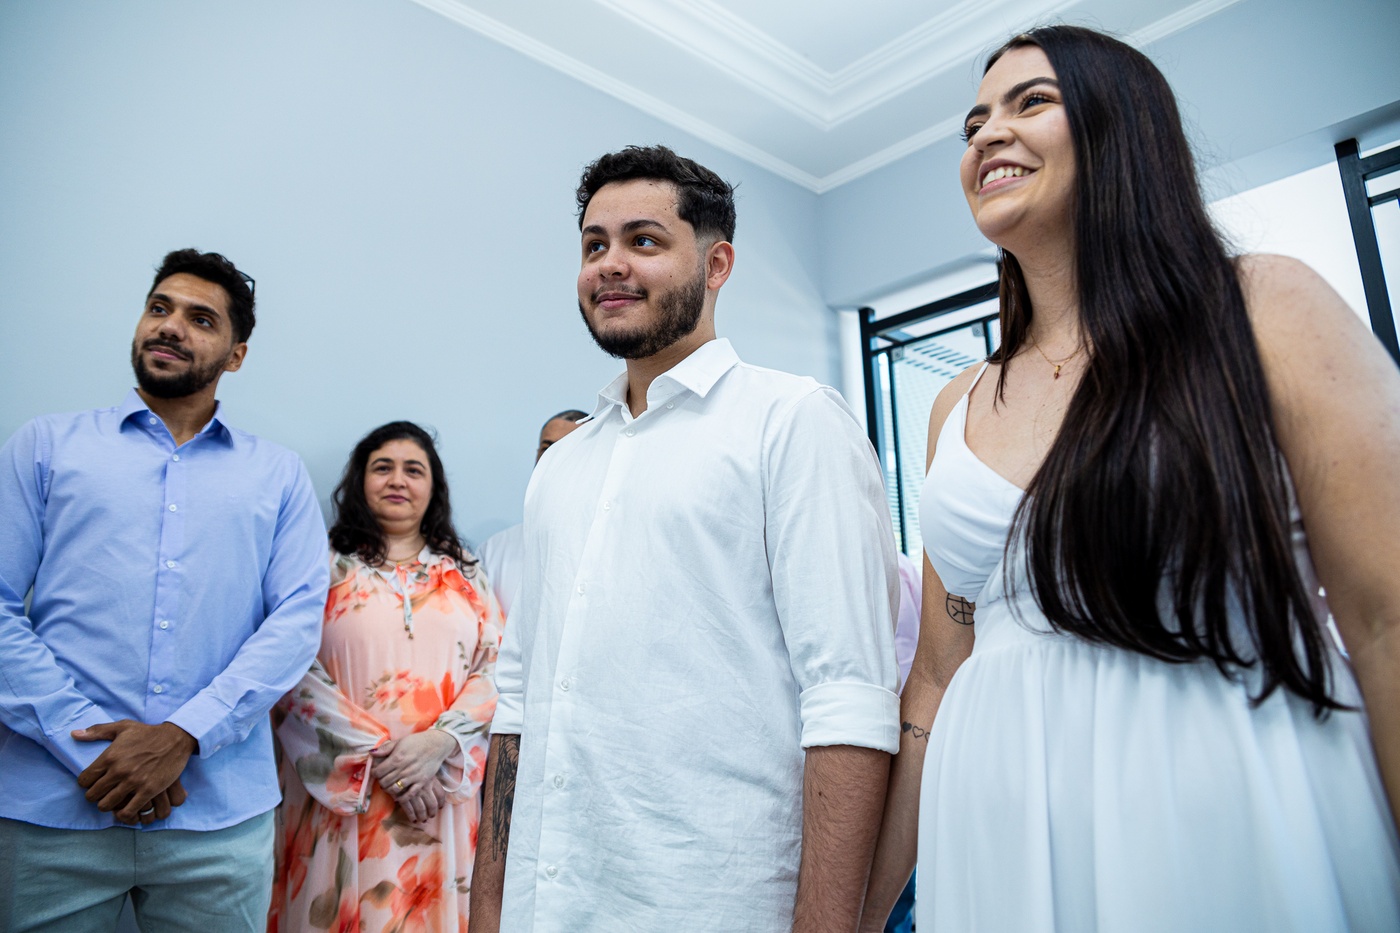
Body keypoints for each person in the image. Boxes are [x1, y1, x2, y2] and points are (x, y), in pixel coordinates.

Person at [860, 25, 1400, 933]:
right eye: (973, 124)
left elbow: (1386, 615)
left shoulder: (1259, 306)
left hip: (1224, 809)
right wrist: (861, 912)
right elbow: (936, 681)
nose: (987, 135)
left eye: (1032, 101)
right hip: (1002, 846)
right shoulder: (955, 403)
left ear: (1122, 127)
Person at [470, 145, 901, 933]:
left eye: (643, 240)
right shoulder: (559, 467)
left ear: (716, 264)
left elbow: (848, 701)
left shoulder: (792, 421)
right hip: (550, 900)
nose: (609, 264)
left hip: (710, 900)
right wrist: (491, 906)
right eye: (594, 244)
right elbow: (521, 700)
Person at [0, 249, 329, 931]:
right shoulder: (45, 447)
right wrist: (90, 748)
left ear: (236, 356)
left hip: (217, 822)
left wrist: (184, 734)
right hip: (50, 812)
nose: (170, 326)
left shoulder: (278, 475)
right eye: (159, 308)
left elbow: (295, 623)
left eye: (200, 319)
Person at [269, 421, 501, 933]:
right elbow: (289, 668)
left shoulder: (466, 572)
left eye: (413, 470)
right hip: (342, 792)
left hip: (439, 791)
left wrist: (439, 745)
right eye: (383, 467)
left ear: (434, 487)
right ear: (360, 481)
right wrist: (386, 761)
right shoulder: (319, 564)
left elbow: (497, 667)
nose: (398, 480)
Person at [477, 409, 588, 619]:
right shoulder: (493, 551)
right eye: (547, 448)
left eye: (572, 448)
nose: (554, 458)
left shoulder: (613, 547)